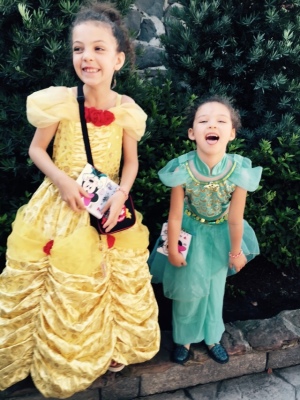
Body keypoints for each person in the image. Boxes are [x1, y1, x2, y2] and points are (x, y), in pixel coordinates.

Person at [0, 2, 160, 398]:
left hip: (104, 206)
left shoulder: (127, 110)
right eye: (78, 48)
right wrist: (61, 181)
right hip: (60, 204)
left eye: (98, 48)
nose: (87, 57)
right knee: (57, 281)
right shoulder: (58, 102)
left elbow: (132, 162)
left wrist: (121, 194)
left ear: (119, 58)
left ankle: (110, 345)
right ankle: (34, 356)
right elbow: (37, 150)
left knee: (110, 277)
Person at [149, 95, 262, 366]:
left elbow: (236, 218)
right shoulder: (182, 168)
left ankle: (212, 337)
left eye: (221, 121)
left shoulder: (238, 170)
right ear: (192, 133)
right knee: (187, 288)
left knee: (214, 287)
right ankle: (184, 339)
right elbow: (175, 215)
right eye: (203, 121)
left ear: (231, 133)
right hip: (189, 232)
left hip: (222, 234)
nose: (212, 125)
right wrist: (174, 248)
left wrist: (236, 252)